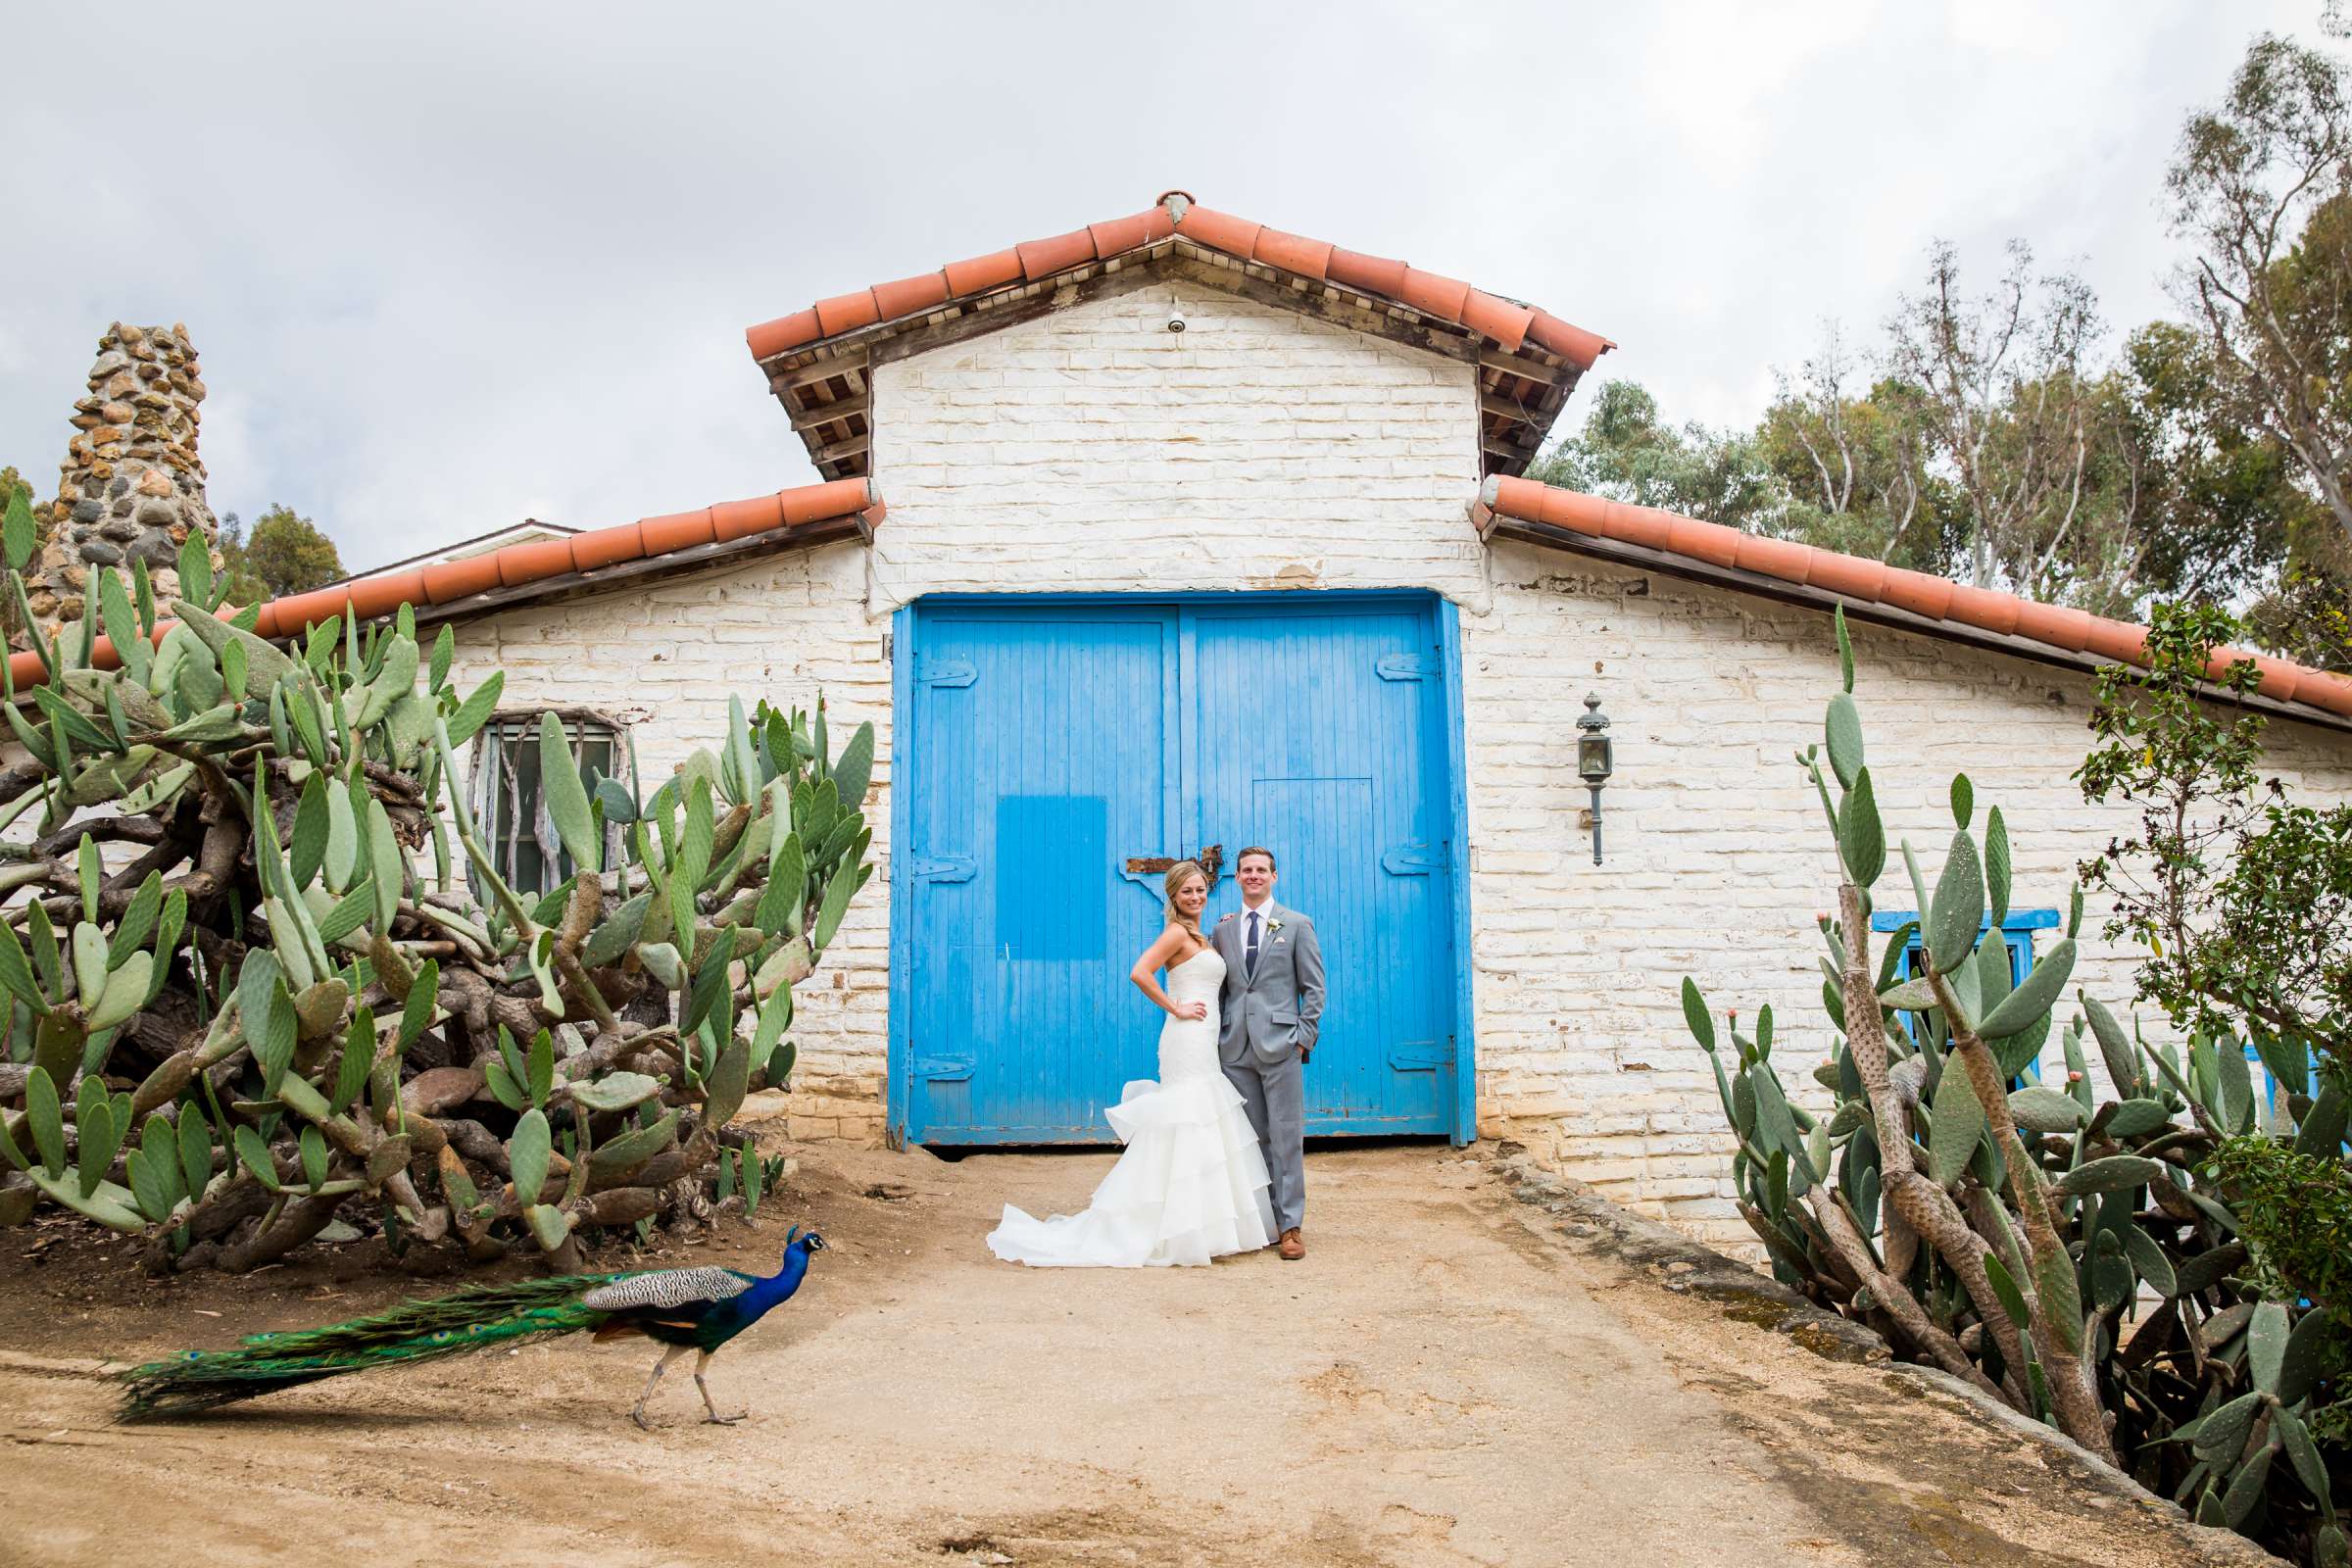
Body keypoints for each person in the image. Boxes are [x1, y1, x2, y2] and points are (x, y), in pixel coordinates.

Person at [985, 860, 1276, 1267]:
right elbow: (1140, 972)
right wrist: (1174, 1007)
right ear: (1173, 896)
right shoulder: (1176, 932)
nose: (1195, 896)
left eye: (1200, 889)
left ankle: (1203, 1225)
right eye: (1186, 891)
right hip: (1186, 1038)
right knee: (1187, 1119)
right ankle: (1176, 1227)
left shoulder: (1200, 935)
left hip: (1205, 1039)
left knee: (1202, 1122)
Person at [1210, 847, 1323, 1260]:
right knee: (1249, 1138)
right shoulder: (1222, 931)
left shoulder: (1296, 924)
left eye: (1261, 870)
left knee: (1286, 1136)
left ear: (1274, 876)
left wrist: (1302, 1038)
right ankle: (1260, 1221)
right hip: (1235, 1048)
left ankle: (1290, 1225)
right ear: (1237, 878)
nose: (1253, 876)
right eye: (1246, 871)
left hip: (1281, 1046)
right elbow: (1222, 988)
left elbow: (1313, 988)